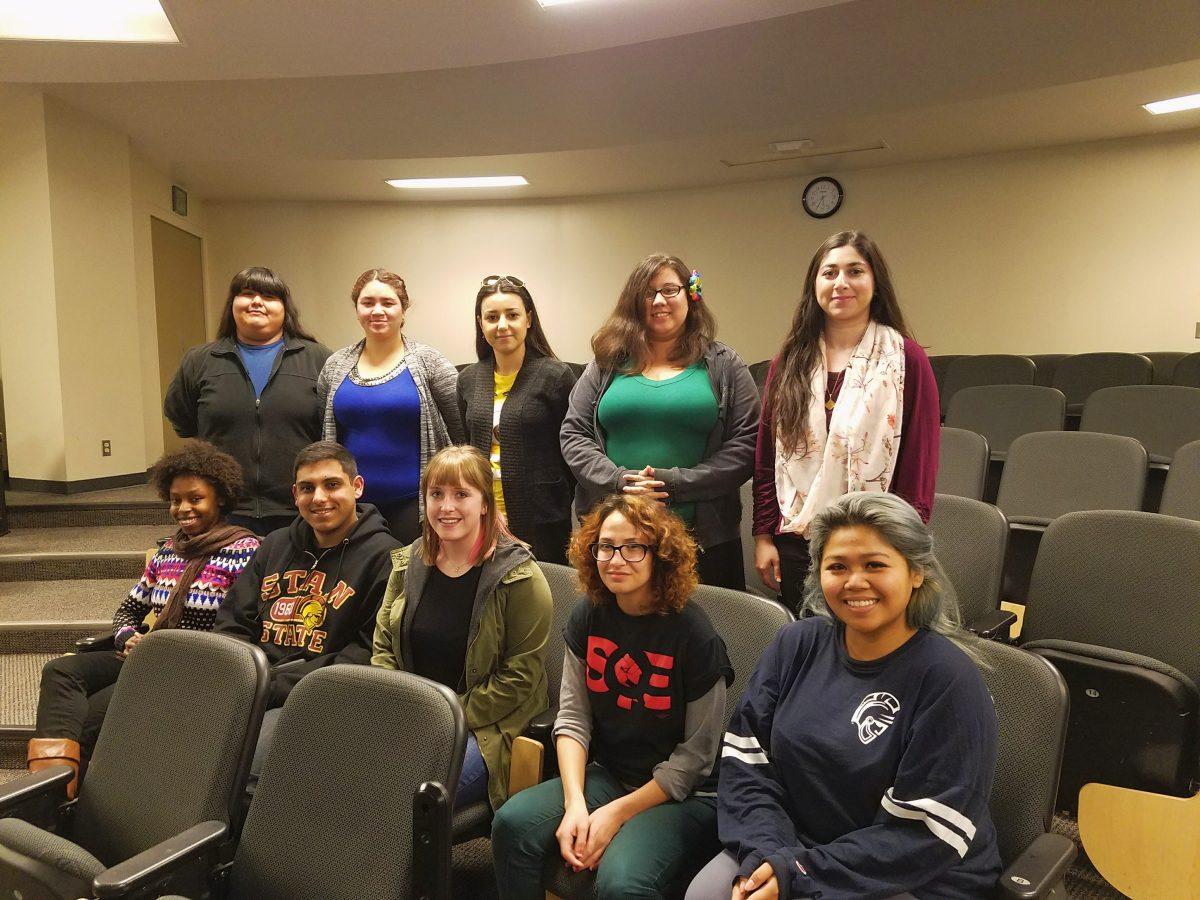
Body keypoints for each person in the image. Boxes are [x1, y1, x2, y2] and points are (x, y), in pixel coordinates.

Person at [687, 492, 1001, 900]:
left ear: (916, 572)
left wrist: (799, 873)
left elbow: (924, 833)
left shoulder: (949, 680)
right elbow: (748, 762)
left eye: (875, 565)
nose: (855, 582)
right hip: (793, 844)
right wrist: (769, 854)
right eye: (837, 567)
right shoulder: (795, 644)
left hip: (914, 875)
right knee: (704, 894)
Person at [492, 494, 733, 899]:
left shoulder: (695, 635)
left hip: (686, 794)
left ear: (661, 555)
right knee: (512, 824)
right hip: (611, 774)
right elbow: (572, 717)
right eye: (606, 546)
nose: (616, 559)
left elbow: (695, 760)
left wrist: (613, 816)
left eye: (633, 547)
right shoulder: (588, 614)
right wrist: (575, 806)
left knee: (623, 883)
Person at [28, 441, 259, 797]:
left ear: (221, 499)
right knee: (60, 671)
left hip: (196, 667)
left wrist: (167, 651)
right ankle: (49, 792)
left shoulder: (246, 553)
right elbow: (129, 610)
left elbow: (240, 630)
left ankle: (54, 799)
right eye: (175, 499)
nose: (182, 508)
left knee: (87, 720)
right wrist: (126, 636)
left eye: (194, 499)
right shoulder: (168, 550)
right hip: (148, 656)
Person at [753, 231, 940, 612]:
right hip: (795, 538)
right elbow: (765, 456)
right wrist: (763, 534)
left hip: (874, 540)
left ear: (875, 282)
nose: (841, 283)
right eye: (829, 273)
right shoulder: (788, 362)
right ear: (815, 285)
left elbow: (919, 459)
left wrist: (900, 542)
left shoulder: (905, 358)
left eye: (855, 271)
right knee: (807, 643)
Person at [561, 254, 759, 589]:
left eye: (669, 290)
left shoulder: (725, 364)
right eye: (648, 293)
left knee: (704, 630)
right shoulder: (607, 363)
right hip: (616, 535)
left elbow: (746, 443)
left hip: (703, 538)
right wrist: (619, 481)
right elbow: (574, 433)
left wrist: (675, 484)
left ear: (689, 296)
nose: (658, 301)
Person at [371, 445, 552, 811]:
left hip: (486, 726)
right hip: (411, 715)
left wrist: (440, 719)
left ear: (485, 503)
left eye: (461, 495)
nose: (446, 507)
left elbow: (520, 678)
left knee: (404, 801)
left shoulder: (520, 577)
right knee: (341, 774)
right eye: (436, 494)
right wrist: (405, 711)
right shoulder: (408, 564)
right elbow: (383, 647)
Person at [213, 441, 399, 786]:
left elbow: (365, 653)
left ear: (356, 488)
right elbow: (232, 622)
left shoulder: (386, 558)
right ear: (294, 494)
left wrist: (270, 686)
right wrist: (241, 674)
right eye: (307, 488)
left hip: (317, 698)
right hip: (253, 683)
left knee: (246, 765)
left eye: (332, 484)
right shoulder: (274, 545)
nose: (319, 498)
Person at [165, 266, 330, 537]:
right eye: (247, 294)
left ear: (284, 308)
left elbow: (332, 425)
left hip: (300, 507)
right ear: (232, 305)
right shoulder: (200, 361)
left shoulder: (318, 359)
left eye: (268, 296)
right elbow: (182, 420)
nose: (256, 302)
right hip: (224, 510)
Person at [317, 268, 464, 543]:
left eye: (388, 303)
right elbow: (325, 433)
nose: (377, 310)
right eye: (368, 303)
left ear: (403, 309)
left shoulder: (429, 362)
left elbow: (460, 434)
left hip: (416, 506)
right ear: (357, 309)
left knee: (411, 581)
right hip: (351, 508)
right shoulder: (335, 366)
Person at [457, 275, 577, 563]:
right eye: (492, 317)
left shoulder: (556, 376)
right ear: (480, 323)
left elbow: (573, 451)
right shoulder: (468, 379)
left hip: (542, 521)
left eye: (512, 315)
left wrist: (555, 499)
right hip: (481, 518)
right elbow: (466, 448)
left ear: (529, 319)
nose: (502, 325)